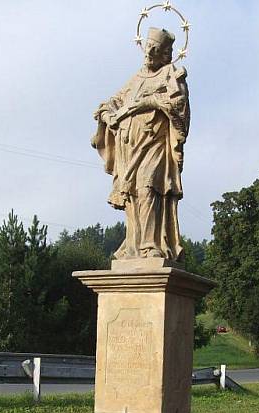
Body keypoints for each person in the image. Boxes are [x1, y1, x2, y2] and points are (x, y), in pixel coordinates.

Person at [91, 27, 189, 261]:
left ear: (166, 54)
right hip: (129, 147)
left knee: (148, 187)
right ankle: (134, 242)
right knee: (133, 192)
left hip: (154, 144)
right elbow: (111, 102)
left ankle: (149, 245)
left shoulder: (171, 75)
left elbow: (179, 107)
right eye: (147, 47)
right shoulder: (136, 78)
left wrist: (148, 101)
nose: (149, 52)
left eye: (155, 49)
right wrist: (108, 115)